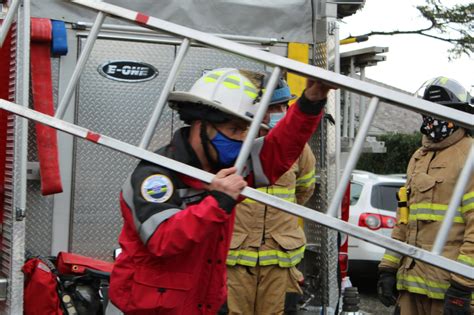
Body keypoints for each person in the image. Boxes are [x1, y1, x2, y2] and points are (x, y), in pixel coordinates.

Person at [109, 68, 332, 314]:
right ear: (200, 124)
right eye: (234, 130)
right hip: (154, 307)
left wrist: (311, 102)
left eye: (246, 130)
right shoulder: (155, 177)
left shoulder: (224, 166)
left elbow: (276, 152)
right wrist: (218, 201)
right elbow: (163, 239)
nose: (241, 140)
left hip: (203, 302)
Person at [377, 77, 474, 315]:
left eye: (440, 112)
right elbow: (404, 220)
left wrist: (462, 286)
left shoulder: (470, 156)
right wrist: (388, 268)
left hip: (450, 290)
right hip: (411, 286)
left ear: (459, 114)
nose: (432, 120)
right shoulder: (419, 158)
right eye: (428, 112)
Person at [224, 77, 316, 315]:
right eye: (273, 108)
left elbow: (303, 191)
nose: (281, 113)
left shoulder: (300, 149)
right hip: (235, 260)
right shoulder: (235, 146)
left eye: (284, 106)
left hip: (280, 261)